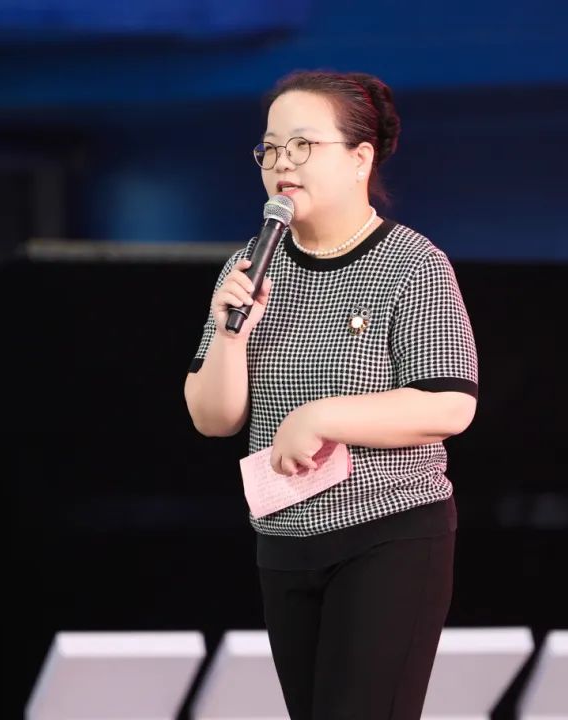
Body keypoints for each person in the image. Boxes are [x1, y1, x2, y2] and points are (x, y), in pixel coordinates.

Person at [183, 69, 479, 719]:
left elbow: (450, 404)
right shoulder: (249, 266)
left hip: (389, 534)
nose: (282, 164)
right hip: (284, 540)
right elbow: (213, 417)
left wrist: (321, 417)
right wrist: (231, 334)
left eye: (303, 145)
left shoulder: (412, 263)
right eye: (270, 149)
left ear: (359, 158)